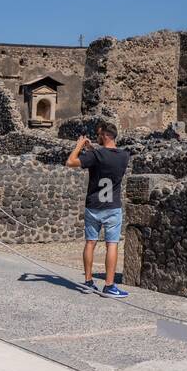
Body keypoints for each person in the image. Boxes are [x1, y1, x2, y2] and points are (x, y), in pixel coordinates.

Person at [65, 119, 131, 298]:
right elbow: (105, 158)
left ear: (106, 135)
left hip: (94, 206)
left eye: (100, 135)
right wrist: (92, 149)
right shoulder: (124, 156)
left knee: (90, 243)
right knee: (112, 245)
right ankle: (109, 286)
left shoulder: (96, 156)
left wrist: (79, 146)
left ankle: (88, 282)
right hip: (112, 207)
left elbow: (71, 162)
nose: (98, 137)